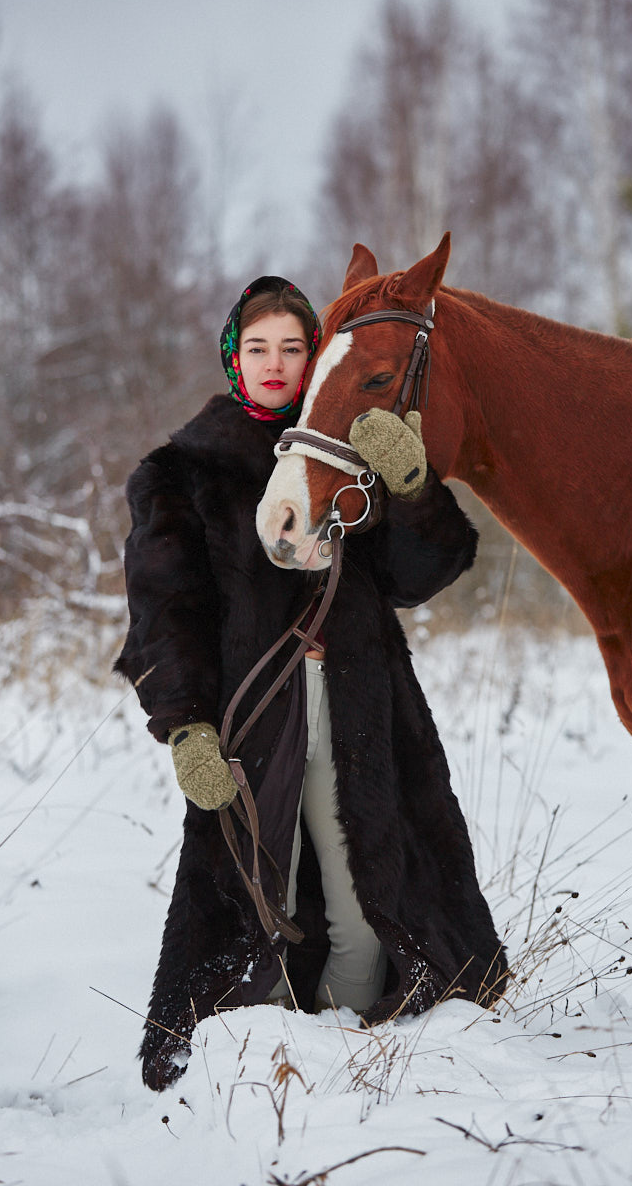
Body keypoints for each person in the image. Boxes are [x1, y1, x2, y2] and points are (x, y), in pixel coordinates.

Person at [114, 276, 507, 1092]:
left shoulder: (339, 448)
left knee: (371, 887)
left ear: (312, 358)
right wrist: (186, 727)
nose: (274, 363)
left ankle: (360, 1054)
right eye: (257, 348)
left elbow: (423, 573)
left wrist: (410, 489)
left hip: (367, 707)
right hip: (254, 719)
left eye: (293, 348)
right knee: (258, 890)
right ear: (233, 357)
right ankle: (245, 1068)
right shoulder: (182, 471)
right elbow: (164, 613)